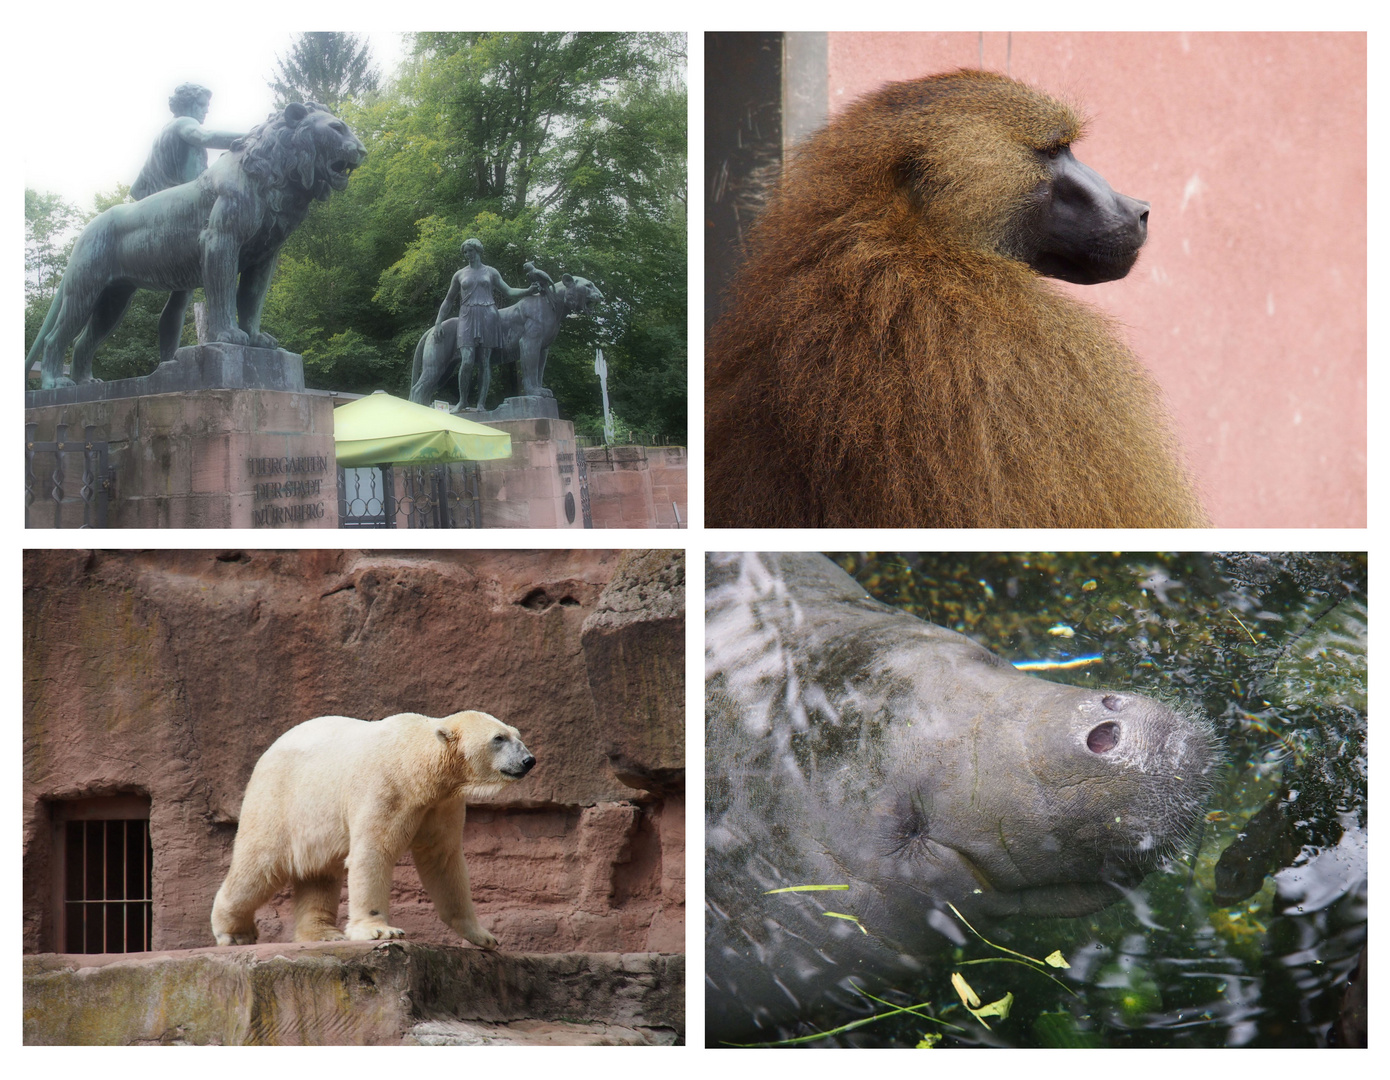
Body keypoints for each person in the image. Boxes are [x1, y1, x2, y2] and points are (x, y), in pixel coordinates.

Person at [131, 83, 246, 361]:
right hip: (179, 214)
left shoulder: (163, 135)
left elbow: (139, 187)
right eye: (202, 105)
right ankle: (168, 357)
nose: (206, 110)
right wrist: (254, 138)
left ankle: (167, 360)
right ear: (189, 105)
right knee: (185, 294)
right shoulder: (183, 123)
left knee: (180, 297)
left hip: (166, 215)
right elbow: (205, 136)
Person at [432, 238, 539, 412]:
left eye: (471, 251)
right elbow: (448, 300)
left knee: (484, 362)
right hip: (467, 316)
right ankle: (463, 401)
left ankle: (481, 404)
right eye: (465, 252)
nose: (468, 255)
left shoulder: (491, 272)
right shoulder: (459, 274)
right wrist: (438, 322)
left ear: (478, 251)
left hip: (488, 316)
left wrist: (527, 291)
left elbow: (508, 290)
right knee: (466, 360)